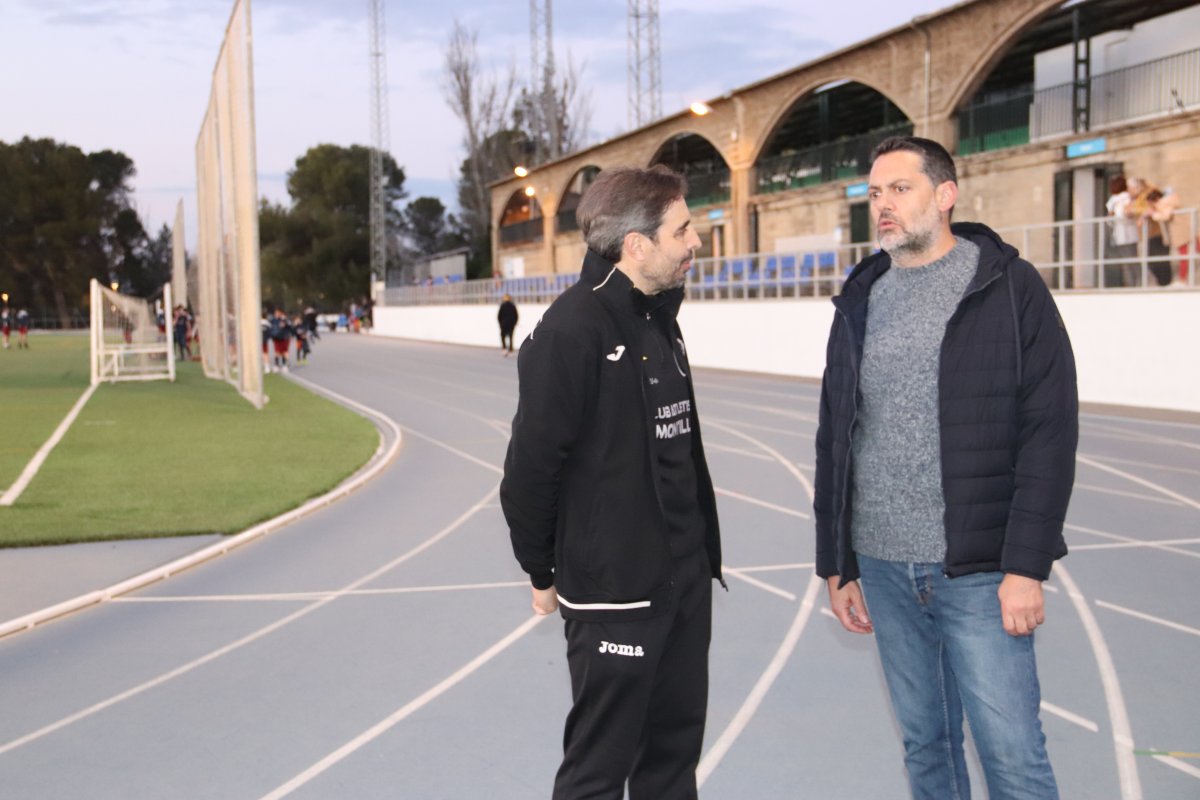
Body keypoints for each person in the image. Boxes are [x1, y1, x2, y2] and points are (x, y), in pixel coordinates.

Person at [814, 136, 1078, 800]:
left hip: (980, 571)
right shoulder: (861, 297)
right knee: (927, 748)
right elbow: (835, 436)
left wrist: (1026, 567)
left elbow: (1050, 434)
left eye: (899, 189)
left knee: (1013, 756)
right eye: (874, 194)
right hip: (882, 566)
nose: (882, 206)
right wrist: (836, 562)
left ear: (945, 195)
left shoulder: (1008, 287)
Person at [501, 164, 724, 800]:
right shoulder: (571, 332)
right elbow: (528, 473)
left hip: (683, 584)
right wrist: (542, 573)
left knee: (673, 760)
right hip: (615, 593)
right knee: (598, 770)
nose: (696, 242)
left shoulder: (660, 319)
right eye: (683, 229)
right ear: (637, 245)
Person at [1105, 175, 1139, 287]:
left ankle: (1136, 283)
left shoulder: (1126, 198)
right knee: (1126, 262)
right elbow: (1110, 218)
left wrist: (1114, 214)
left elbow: (1124, 215)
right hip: (1119, 235)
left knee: (1132, 261)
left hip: (1128, 234)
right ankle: (1130, 283)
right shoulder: (1113, 200)